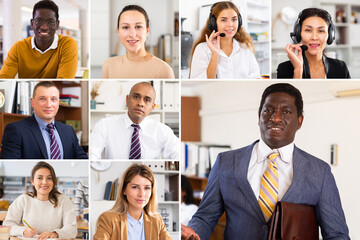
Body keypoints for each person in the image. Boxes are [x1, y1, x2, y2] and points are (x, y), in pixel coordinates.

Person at [181, 83, 349, 240]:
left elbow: (336, 234)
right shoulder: (226, 162)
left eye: (286, 112)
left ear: (299, 121)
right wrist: (192, 234)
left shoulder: (320, 172)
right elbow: (205, 216)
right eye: (268, 110)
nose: (275, 118)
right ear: (259, 116)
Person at [90, 82, 179, 159]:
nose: (140, 103)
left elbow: (177, 155)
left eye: (147, 100)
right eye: (136, 97)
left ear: (152, 107)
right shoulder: (105, 125)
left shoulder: (163, 131)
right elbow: (92, 154)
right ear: (127, 99)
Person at [0, 81, 88, 159]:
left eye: (53, 99)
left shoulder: (68, 130)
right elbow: (10, 168)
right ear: (32, 102)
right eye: (42, 99)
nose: (49, 105)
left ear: (58, 103)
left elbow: (82, 161)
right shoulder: (16, 130)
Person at [0, 0, 78, 79]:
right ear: (32, 23)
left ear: (57, 24)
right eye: (39, 21)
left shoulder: (67, 44)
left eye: (50, 22)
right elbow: (3, 79)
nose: (44, 27)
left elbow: (64, 81)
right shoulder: (18, 48)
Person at [93, 163, 171, 240]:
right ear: (124, 190)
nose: (142, 194)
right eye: (135, 187)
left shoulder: (157, 220)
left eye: (147, 188)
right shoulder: (108, 219)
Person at [3, 161, 77, 239]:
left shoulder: (64, 201)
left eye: (49, 178)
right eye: (39, 178)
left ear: (54, 181)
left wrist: (55, 233)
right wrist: (23, 231)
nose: (44, 182)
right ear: (32, 181)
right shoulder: (23, 199)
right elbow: (7, 225)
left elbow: (72, 230)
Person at [189, 1, 260, 79]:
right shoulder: (202, 49)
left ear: (239, 22)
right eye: (223, 20)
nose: (230, 24)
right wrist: (215, 55)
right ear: (214, 23)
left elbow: (256, 77)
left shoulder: (245, 47)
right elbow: (205, 84)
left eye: (234, 19)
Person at [102, 5, 175, 79]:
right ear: (118, 31)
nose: (132, 34)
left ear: (147, 30)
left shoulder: (164, 70)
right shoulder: (108, 65)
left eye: (138, 27)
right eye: (125, 27)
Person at [277, 8, 350, 79]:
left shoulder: (341, 68)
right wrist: (298, 69)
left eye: (321, 31)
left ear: (330, 35)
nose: (314, 37)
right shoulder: (284, 69)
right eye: (308, 30)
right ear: (298, 33)